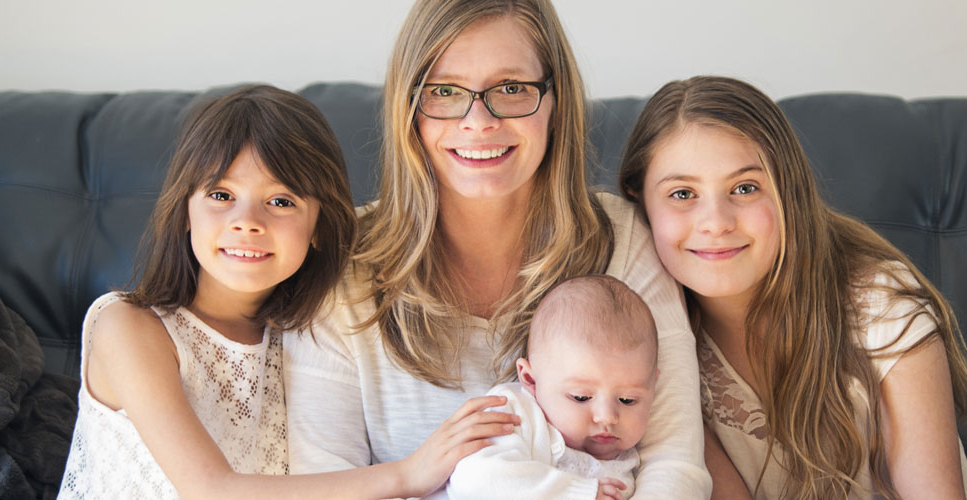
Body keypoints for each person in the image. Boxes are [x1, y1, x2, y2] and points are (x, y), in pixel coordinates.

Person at [283, 1, 710, 498]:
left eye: (511, 88)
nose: (478, 121)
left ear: (556, 99)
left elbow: (674, 467)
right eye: (444, 91)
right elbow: (320, 482)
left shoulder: (626, 240)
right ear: (409, 106)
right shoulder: (341, 265)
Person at [58, 85, 517, 500]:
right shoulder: (128, 327)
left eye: (281, 202)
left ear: (319, 228)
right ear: (184, 210)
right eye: (221, 195)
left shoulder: (303, 344)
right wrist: (409, 474)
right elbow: (211, 491)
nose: (247, 221)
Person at [618, 75, 967, 500]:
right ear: (639, 202)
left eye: (745, 188)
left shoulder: (879, 302)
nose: (716, 221)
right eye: (683, 194)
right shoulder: (654, 341)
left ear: (788, 191)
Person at [446, 275, 659, 500]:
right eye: (581, 397)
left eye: (627, 400)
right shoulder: (515, 415)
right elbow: (474, 480)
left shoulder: (633, 461)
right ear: (531, 381)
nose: (607, 417)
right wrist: (577, 493)